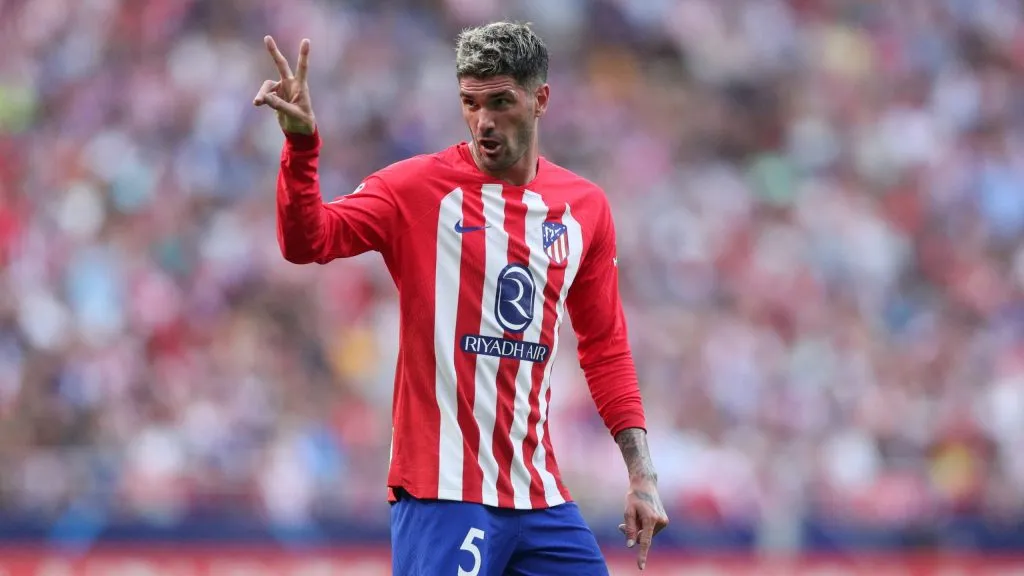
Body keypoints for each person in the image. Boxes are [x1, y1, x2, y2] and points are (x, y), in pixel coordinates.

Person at [253, 21, 669, 575]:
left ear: (540, 100)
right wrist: (301, 148)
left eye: (501, 102)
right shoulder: (416, 189)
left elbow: (605, 348)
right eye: (470, 103)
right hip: (444, 493)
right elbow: (309, 241)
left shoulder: (583, 209)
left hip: (539, 495)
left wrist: (641, 476)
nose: (484, 122)